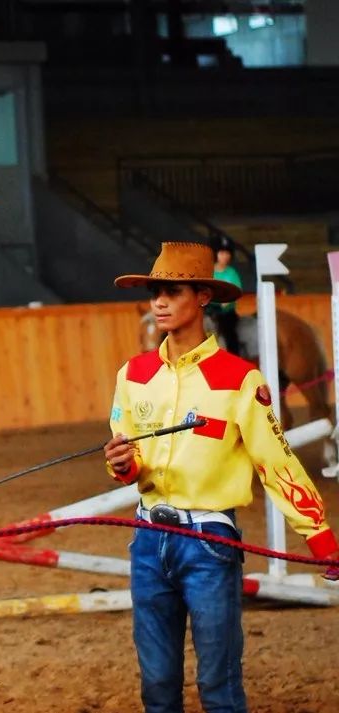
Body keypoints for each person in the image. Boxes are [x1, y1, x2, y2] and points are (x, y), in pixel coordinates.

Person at [104, 241, 339, 713]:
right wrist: (123, 465)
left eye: (173, 291)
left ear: (203, 297)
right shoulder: (132, 375)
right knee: (157, 686)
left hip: (211, 543)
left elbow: (278, 464)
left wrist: (321, 539)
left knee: (219, 685)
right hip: (148, 540)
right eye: (156, 292)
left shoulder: (241, 379)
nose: (160, 303)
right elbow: (126, 461)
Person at [207, 234, 243, 355]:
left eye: (227, 253)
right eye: (222, 253)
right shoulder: (207, 272)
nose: (225, 256)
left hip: (226, 313)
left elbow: (236, 291)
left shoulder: (232, 273)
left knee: (229, 332)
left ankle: (234, 356)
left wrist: (222, 304)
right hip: (206, 311)